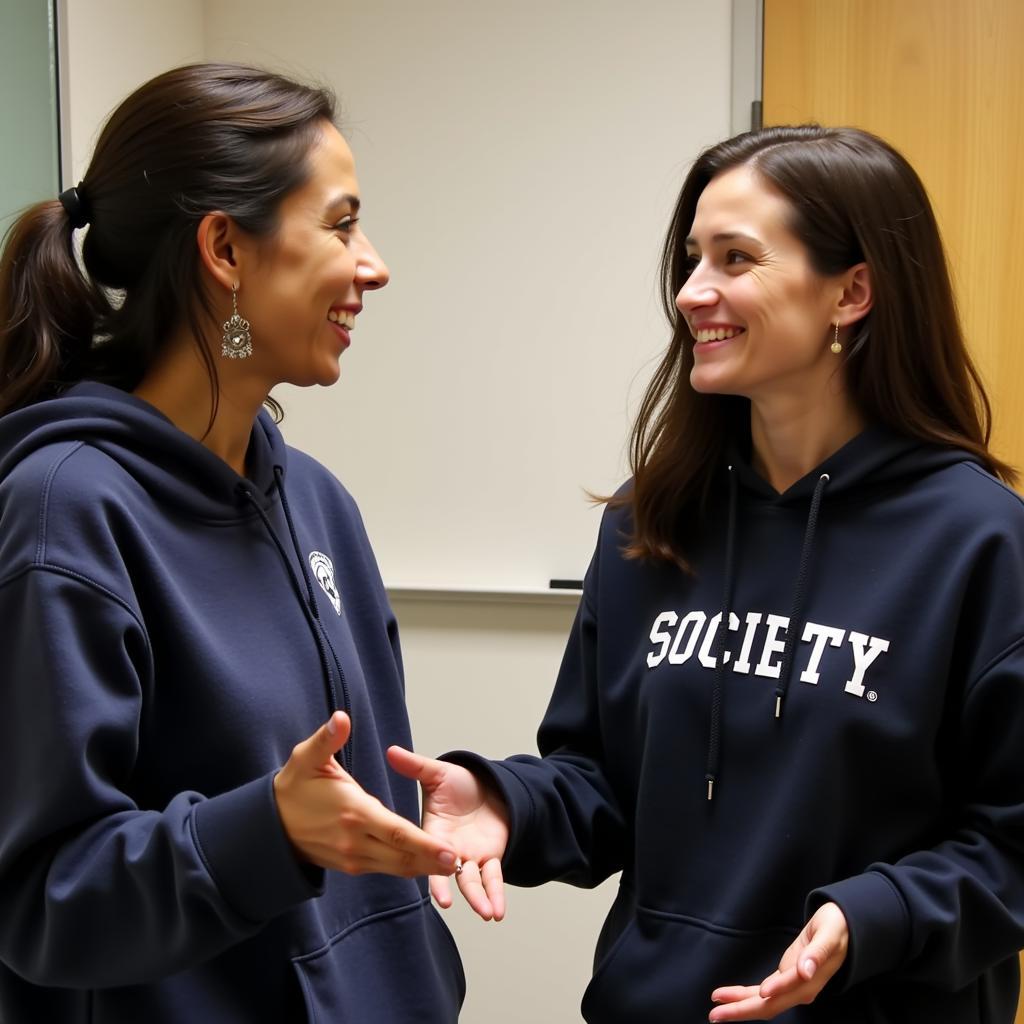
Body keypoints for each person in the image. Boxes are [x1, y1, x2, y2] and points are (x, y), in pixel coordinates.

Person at [389, 125, 1024, 1022]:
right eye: (692, 258)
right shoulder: (650, 523)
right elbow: (602, 783)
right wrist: (506, 800)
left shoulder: (983, 542)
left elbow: (1008, 847)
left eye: (735, 258)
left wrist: (868, 915)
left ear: (853, 291)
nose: (692, 293)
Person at [0, 63, 464, 1023]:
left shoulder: (321, 504)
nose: (373, 264)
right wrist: (265, 834)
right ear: (224, 249)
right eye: (340, 225)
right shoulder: (65, 513)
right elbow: (39, 903)